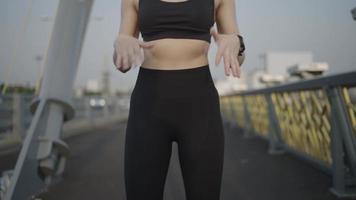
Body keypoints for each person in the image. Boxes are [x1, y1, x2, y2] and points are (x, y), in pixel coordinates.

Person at [113, 0, 245, 199]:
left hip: (200, 107)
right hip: (148, 106)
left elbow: (238, 57)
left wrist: (237, 43)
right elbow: (122, 62)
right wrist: (121, 43)